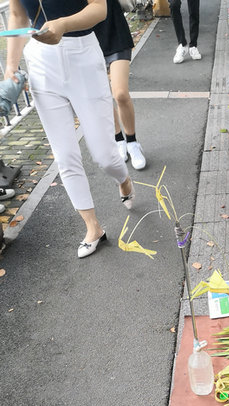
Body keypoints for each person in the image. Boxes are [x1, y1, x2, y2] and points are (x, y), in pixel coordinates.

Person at [5, 0, 135, 259]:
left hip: (83, 56)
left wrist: (64, 24)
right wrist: (11, 65)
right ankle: (92, 227)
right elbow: (18, 15)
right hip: (41, 62)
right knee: (64, 155)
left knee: (105, 155)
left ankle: (123, 179)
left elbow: (100, 8)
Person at [93, 0, 146, 170]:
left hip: (115, 30)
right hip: (88, 38)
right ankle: (118, 139)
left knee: (120, 93)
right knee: (102, 96)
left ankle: (132, 142)